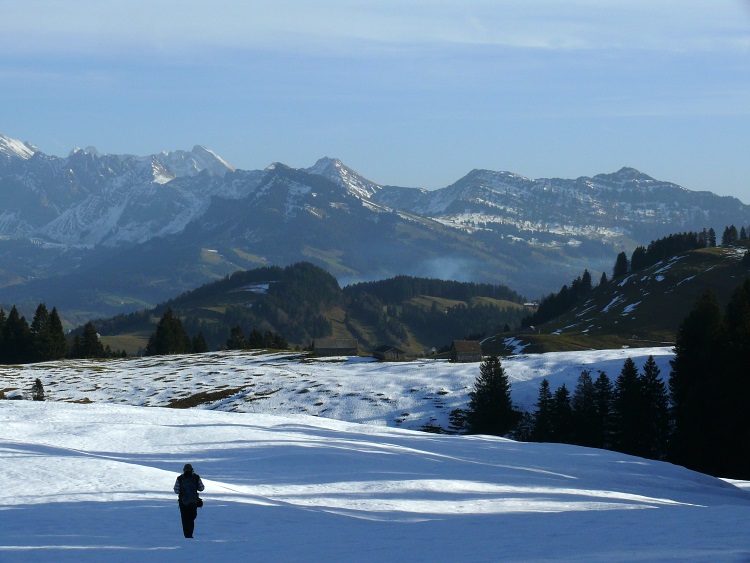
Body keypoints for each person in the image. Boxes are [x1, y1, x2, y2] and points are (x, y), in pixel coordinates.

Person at [174, 463, 205, 538]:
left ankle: (187, 535)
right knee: (191, 518)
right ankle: (190, 534)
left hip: (183, 502)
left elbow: (176, 490)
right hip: (193, 502)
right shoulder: (196, 477)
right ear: (192, 469)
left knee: (185, 519)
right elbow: (201, 488)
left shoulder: (180, 478)